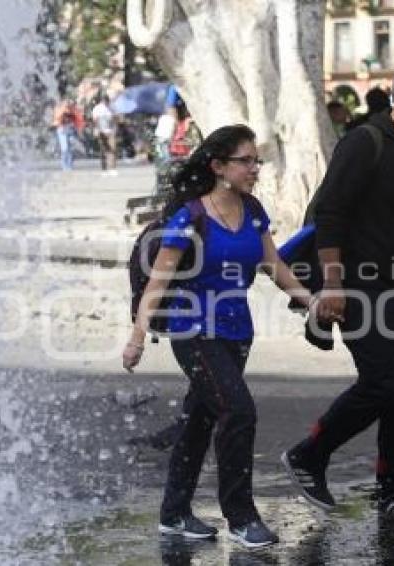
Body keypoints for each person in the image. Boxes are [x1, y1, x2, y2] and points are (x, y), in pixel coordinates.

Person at [123, 125, 317, 548]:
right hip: (192, 331)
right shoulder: (190, 217)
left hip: (237, 332)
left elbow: (273, 264)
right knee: (239, 411)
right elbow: (158, 283)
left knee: (199, 419)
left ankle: (174, 513)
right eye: (245, 161)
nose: (254, 169)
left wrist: (309, 299)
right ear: (218, 166)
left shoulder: (252, 210)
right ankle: (241, 517)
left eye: (256, 161)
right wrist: (137, 338)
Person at [280, 53, 394, 523]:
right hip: (357, 288)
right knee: (381, 383)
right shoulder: (364, 143)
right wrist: (331, 286)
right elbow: (330, 217)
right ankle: (309, 452)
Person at [52, 99, 84, 171]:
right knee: (65, 148)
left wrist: (79, 130)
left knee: (72, 147)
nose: (69, 106)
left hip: (71, 130)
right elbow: (57, 118)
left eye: (70, 105)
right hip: (62, 130)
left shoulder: (74, 110)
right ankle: (65, 166)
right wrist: (64, 109)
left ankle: (70, 166)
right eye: (68, 105)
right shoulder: (60, 109)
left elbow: (79, 120)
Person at [91, 95, 117, 175]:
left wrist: (115, 127)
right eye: (105, 101)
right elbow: (95, 120)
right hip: (101, 131)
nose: (106, 103)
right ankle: (104, 169)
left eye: (107, 101)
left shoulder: (112, 108)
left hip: (110, 131)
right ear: (102, 101)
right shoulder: (97, 109)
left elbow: (115, 119)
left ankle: (112, 168)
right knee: (103, 150)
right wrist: (96, 130)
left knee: (112, 149)